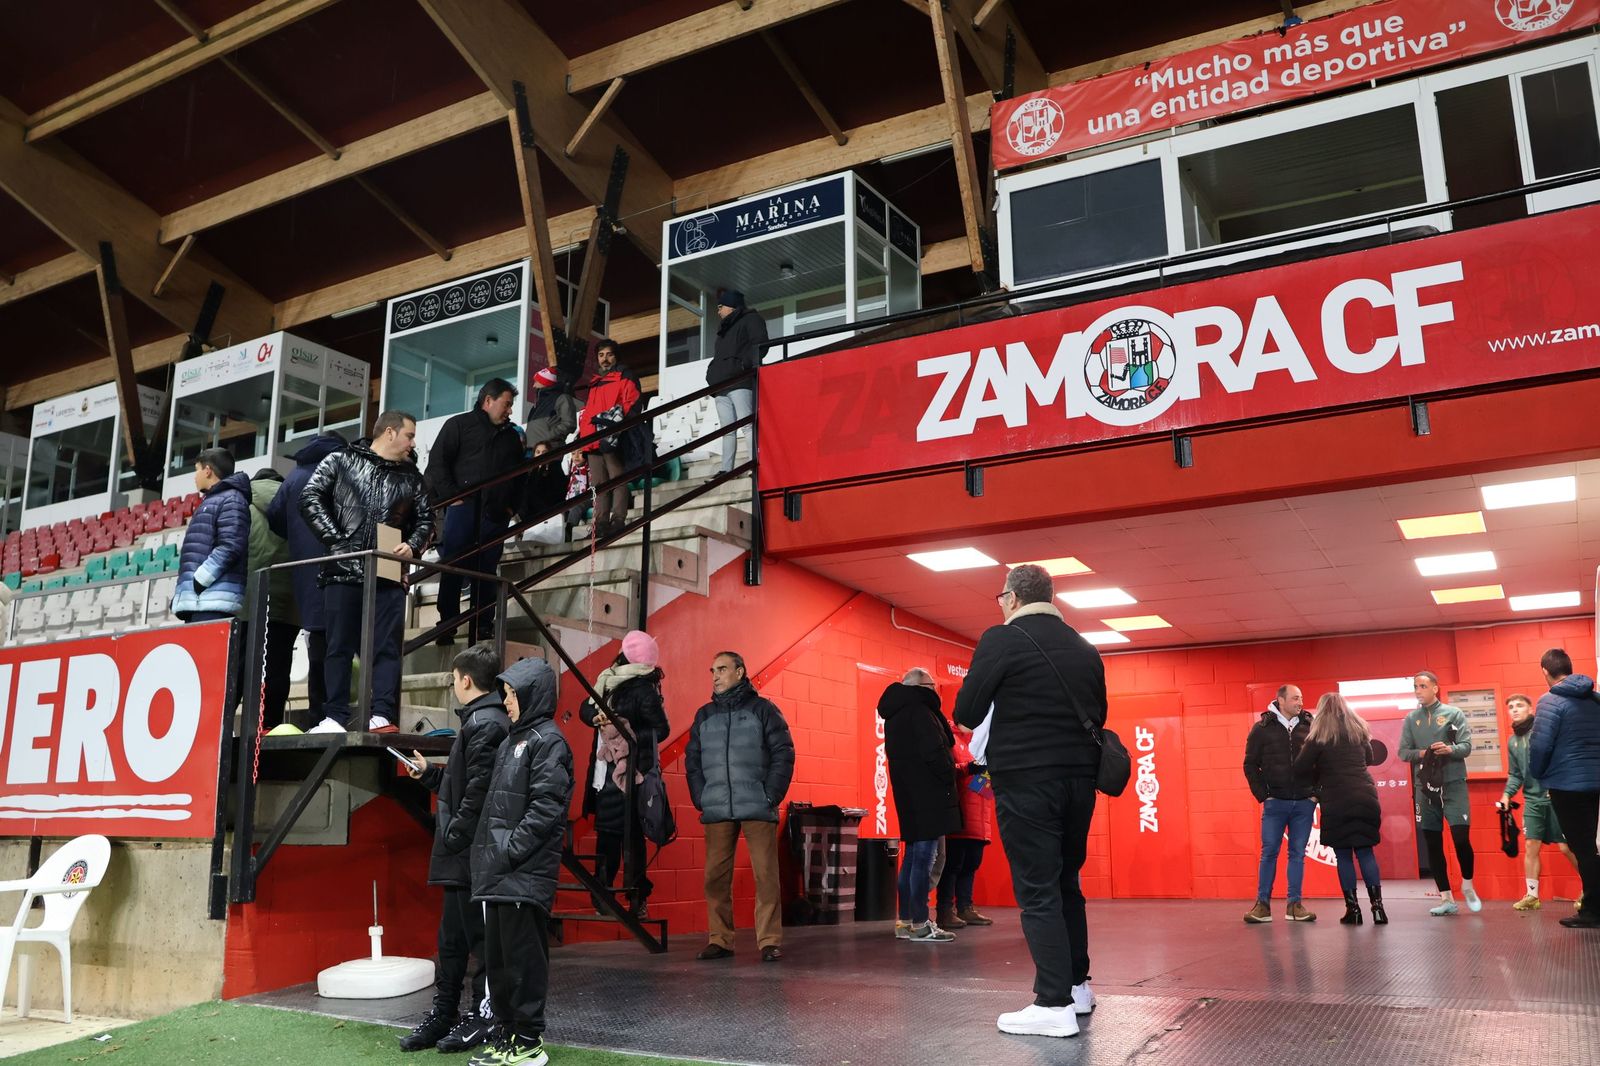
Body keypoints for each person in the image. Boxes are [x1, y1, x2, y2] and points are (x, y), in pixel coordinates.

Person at [953, 563, 1105, 1039]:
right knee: (1065, 882)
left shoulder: (1002, 640)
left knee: (1036, 888)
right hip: (1080, 781)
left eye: (1000, 597)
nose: (999, 605)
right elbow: (1100, 713)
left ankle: (1053, 1003)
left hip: (1027, 780)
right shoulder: (1085, 648)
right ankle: (1078, 987)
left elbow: (966, 711)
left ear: (1014, 598)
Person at [399, 643, 511, 1054]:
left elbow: (477, 793)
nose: (452, 686)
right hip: (461, 854)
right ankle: (445, 1013)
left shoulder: (487, 723)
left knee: (478, 943)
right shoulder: (481, 722)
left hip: (472, 856)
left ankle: (482, 1018)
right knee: (451, 942)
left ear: (465, 680)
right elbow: (465, 783)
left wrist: (454, 835)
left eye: (453, 680)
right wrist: (430, 775)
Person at [299, 411, 434, 735]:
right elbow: (310, 497)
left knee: (386, 646)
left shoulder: (412, 477)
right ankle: (335, 716)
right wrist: (337, 540)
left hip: (387, 571)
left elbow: (427, 520)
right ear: (389, 432)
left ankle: (382, 716)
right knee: (339, 645)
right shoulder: (341, 459)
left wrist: (413, 546)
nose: (412, 443)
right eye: (409, 435)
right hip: (344, 569)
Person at [469, 655, 572, 1066]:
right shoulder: (514, 740)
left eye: (512, 695)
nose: (506, 702)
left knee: (523, 962)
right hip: (499, 873)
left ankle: (529, 1042)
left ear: (532, 695)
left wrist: (510, 850)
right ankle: (509, 1034)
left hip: (522, 873)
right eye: (506, 694)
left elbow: (547, 807)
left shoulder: (550, 742)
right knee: (499, 962)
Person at [684, 651, 795, 962]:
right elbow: (692, 761)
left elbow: (783, 753)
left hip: (758, 805)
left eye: (722, 669)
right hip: (716, 807)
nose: (715, 676)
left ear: (740, 672)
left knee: (766, 877)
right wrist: (701, 796)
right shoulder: (704, 716)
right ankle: (720, 939)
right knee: (714, 878)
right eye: (712, 670)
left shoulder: (763, 710)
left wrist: (770, 795)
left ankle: (769, 941)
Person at [578, 630, 669, 917]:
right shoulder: (607, 680)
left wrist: (624, 726)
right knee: (609, 835)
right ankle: (606, 896)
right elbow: (585, 707)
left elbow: (661, 730)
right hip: (605, 771)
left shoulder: (643, 690)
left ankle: (633, 896)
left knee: (629, 838)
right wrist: (596, 718)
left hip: (629, 773)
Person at [425, 378, 523, 644]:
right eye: (507, 404)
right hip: (463, 509)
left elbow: (519, 475)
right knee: (454, 566)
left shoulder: (512, 436)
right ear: (488, 401)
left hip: (495, 515)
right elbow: (437, 464)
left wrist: (510, 507)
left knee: (487, 570)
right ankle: (447, 623)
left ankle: (482, 623)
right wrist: (452, 498)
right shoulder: (458, 425)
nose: (510, 411)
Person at [879, 668, 961, 943]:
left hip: (908, 794)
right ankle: (920, 923)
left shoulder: (894, 714)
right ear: (923, 687)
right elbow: (934, 752)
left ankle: (905, 921)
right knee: (924, 858)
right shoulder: (921, 712)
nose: (936, 691)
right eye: (933, 686)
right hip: (929, 793)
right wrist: (949, 773)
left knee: (913, 856)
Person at [268, 432, 345, 721]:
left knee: (318, 642)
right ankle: (343, 713)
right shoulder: (342, 469)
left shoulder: (294, 476)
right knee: (344, 640)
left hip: (305, 570)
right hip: (341, 566)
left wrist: (299, 537)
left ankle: (317, 715)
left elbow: (275, 518)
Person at [1294, 693, 1386, 926]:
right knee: (1366, 852)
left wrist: (1318, 775)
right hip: (1365, 796)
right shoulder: (1359, 732)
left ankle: (1353, 911)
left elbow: (1300, 768)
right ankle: (1378, 909)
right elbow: (1369, 758)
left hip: (1337, 798)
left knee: (1344, 855)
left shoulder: (1318, 738)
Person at [1528, 648, 1600, 929]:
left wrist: (1538, 773)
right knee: (1591, 848)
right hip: (1596, 782)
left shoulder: (1550, 701)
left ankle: (1593, 911)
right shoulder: (1595, 699)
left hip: (1568, 784)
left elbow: (1540, 745)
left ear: (1545, 671)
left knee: (1582, 848)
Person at [1398, 671, 1479, 915]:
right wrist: (1424, 753)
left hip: (1453, 783)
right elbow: (1403, 753)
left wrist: (1448, 749)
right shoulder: (1411, 719)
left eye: (1423, 686)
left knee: (1461, 839)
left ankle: (1468, 885)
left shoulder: (1453, 714)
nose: (1418, 690)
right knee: (1433, 842)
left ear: (1435, 688)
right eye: (1415, 686)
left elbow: (1466, 747)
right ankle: (1446, 899)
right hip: (1425, 787)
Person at [1497, 692, 1583, 911]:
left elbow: (1562, 760)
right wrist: (1507, 794)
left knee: (1566, 847)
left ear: (1530, 709)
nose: (1514, 709)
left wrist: (1557, 786)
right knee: (1530, 845)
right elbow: (1516, 774)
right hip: (1533, 800)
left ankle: (1591, 890)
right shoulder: (1512, 741)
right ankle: (1532, 896)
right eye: (1511, 707)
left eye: (1519, 705)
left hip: (1556, 797)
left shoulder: (1543, 733)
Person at [1241, 684, 1317, 923]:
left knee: (1297, 854)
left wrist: (1316, 794)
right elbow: (1250, 765)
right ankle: (1262, 906)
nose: (1300, 702)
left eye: (1301, 698)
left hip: (1304, 803)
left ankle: (1294, 906)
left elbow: (1323, 762)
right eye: (1295, 698)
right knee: (1269, 853)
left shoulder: (1310, 726)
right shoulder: (1262, 729)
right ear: (1280, 701)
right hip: (1275, 803)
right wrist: (1264, 795)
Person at [243, 468, 298, 728]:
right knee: (277, 668)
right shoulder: (297, 502)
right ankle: (269, 728)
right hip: (287, 604)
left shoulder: (242, 502)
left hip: (248, 601)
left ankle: (231, 733)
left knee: (240, 669)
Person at [171, 448, 251, 623]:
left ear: (207, 470)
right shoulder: (213, 500)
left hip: (211, 600)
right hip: (201, 600)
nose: (195, 476)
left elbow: (231, 545)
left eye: (196, 469)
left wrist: (200, 580)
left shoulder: (232, 498)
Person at [576, 338, 641, 540]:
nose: (605, 359)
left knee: (617, 480)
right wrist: (583, 438)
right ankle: (600, 524)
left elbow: (632, 404)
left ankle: (618, 520)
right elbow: (589, 412)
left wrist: (617, 430)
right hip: (593, 440)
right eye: (601, 355)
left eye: (609, 354)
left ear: (616, 356)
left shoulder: (625, 376)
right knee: (598, 485)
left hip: (613, 438)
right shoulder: (595, 382)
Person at [936, 718, 996, 931]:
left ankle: (965, 907)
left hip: (979, 815)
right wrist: (968, 769)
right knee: (952, 866)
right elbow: (947, 770)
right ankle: (945, 910)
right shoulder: (949, 738)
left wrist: (986, 778)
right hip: (960, 815)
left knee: (971, 864)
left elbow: (982, 787)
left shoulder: (976, 743)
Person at [707, 289, 766, 475]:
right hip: (720, 385)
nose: (718, 311)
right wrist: (711, 373)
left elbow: (760, 344)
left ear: (731, 305)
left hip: (741, 382)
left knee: (748, 425)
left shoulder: (751, 319)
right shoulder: (723, 328)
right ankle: (726, 469)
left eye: (720, 306)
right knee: (728, 430)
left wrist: (743, 365)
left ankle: (754, 466)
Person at [523, 366, 578, 454]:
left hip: (550, 450)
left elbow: (569, 424)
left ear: (545, 382)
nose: (533, 385)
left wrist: (547, 436)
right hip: (531, 450)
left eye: (537, 381)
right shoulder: (538, 403)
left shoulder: (562, 398)